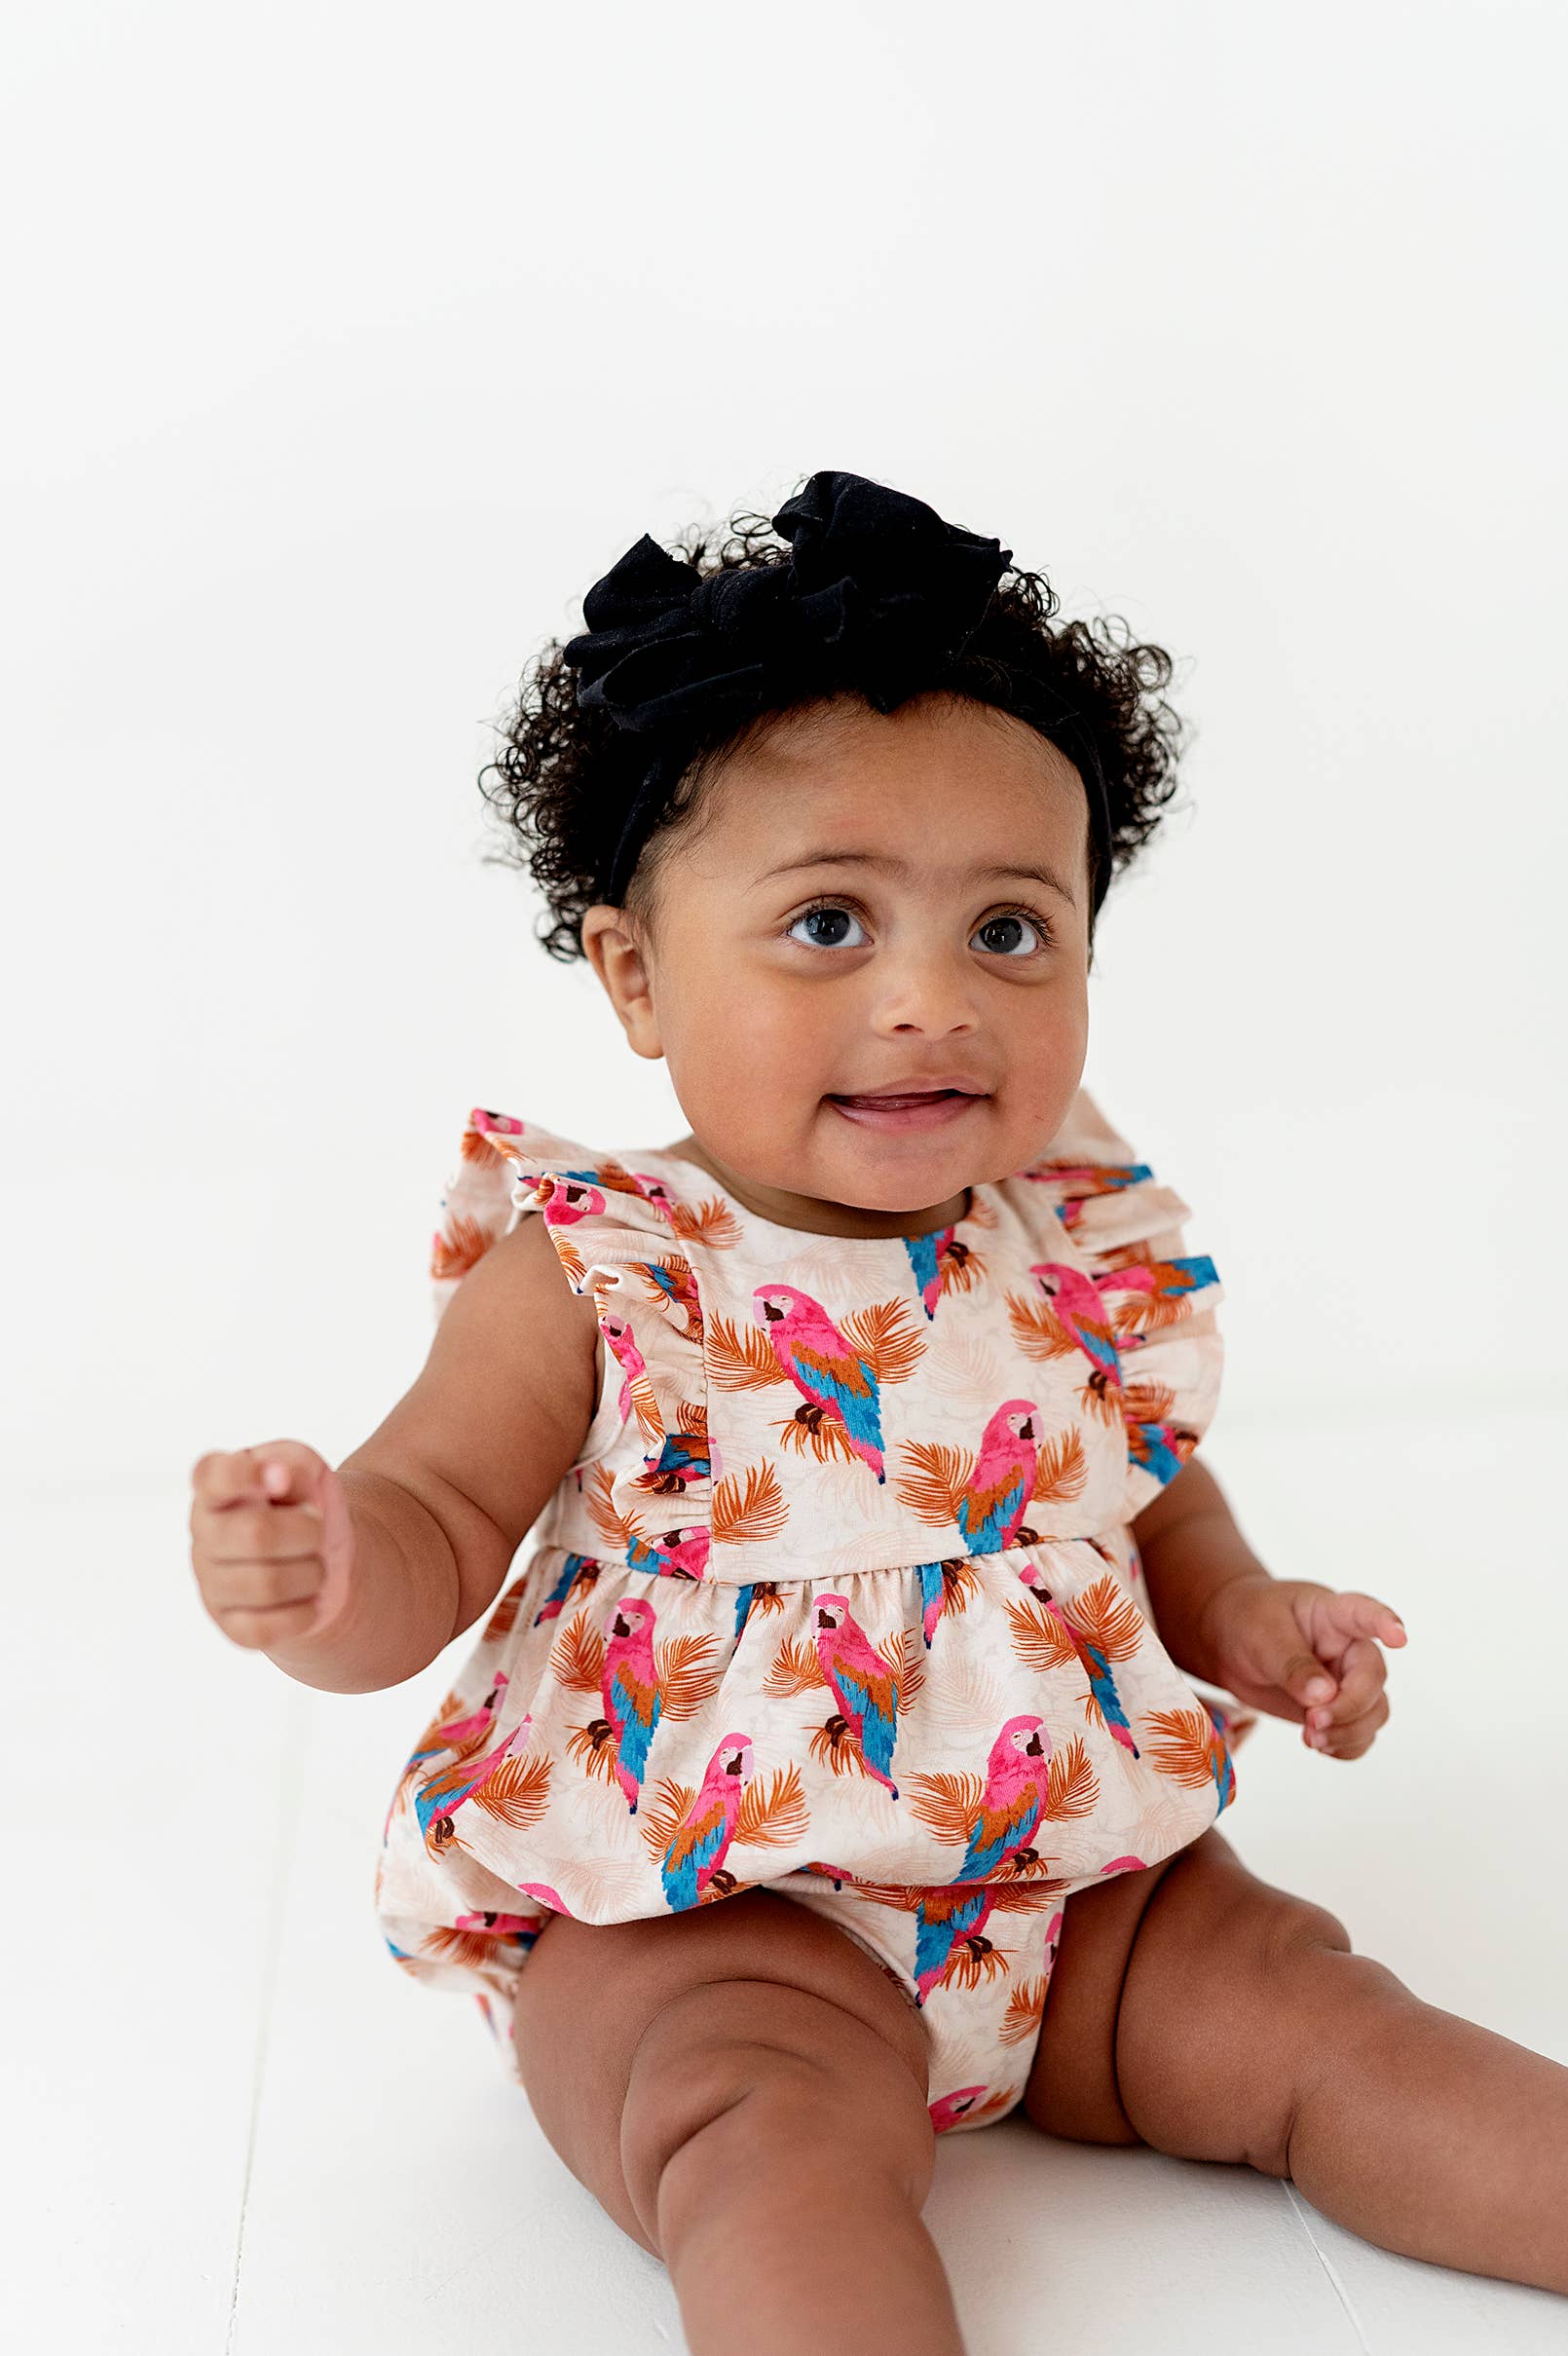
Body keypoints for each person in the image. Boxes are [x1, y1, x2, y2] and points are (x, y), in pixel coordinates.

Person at [188, 470, 1568, 2352]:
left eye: (1009, 931)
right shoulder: (604, 1264)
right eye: (829, 924)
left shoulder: (1065, 1231)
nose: (931, 1000)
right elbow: (428, 1522)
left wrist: (1245, 1615)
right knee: (759, 2146)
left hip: (1079, 1884)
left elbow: (1141, 1497)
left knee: (1329, 2020)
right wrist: (327, 1567)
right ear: (635, 974)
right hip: (702, 1915)